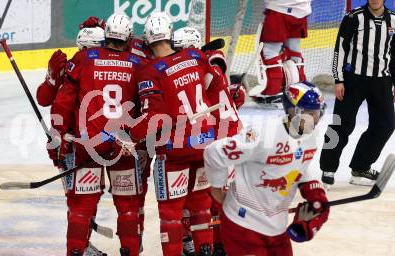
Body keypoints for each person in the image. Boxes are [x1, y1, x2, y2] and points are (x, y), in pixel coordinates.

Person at [129, 12, 219, 256]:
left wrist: (128, 136)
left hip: (174, 151)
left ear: (148, 41)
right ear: (171, 35)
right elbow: (216, 89)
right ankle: (206, 250)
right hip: (205, 144)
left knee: (171, 213)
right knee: (201, 205)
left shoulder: (150, 71)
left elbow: (153, 118)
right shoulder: (195, 56)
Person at [204, 82, 330, 256]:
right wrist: (216, 189)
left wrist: (313, 190)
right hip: (242, 226)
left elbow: (299, 163)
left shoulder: (312, 136)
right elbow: (214, 153)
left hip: (277, 228)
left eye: (318, 112)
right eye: (310, 113)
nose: (315, 119)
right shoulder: (261, 134)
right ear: (292, 111)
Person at [50, 13, 140, 256]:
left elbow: (63, 101)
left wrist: (57, 134)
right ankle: (130, 250)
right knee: (128, 205)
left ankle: (76, 251)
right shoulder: (136, 63)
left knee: (81, 206)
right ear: (128, 37)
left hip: (88, 144)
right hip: (123, 145)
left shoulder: (83, 58)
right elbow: (145, 106)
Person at [172, 26, 243, 256]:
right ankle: (220, 242)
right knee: (215, 195)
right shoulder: (210, 62)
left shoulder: (201, 68)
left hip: (219, 138)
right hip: (229, 135)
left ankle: (206, 241)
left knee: (200, 195)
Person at [320, 0, 395, 188]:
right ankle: (327, 169)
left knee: (385, 125)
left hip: (382, 81)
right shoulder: (354, 18)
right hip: (353, 80)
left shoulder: (393, 20)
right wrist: (338, 80)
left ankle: (360, 167)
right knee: (341, 125)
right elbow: (340, 49)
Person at [251, 0, 311, 104]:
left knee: (270, 52)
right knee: (293, 50)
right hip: (301, 11)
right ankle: (301, 87)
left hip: (279, 9)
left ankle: (273, 92)